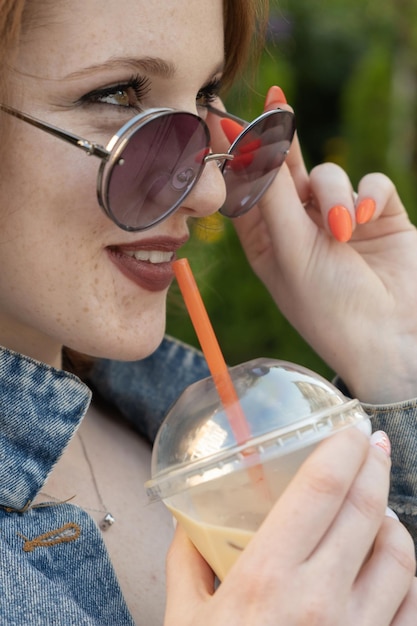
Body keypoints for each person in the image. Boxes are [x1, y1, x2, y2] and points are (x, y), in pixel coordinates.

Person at [0, 1, 416, 625]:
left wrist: (391, 356)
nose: (211, 192)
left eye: (206, 96)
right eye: (116, 96)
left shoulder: (180, 419)